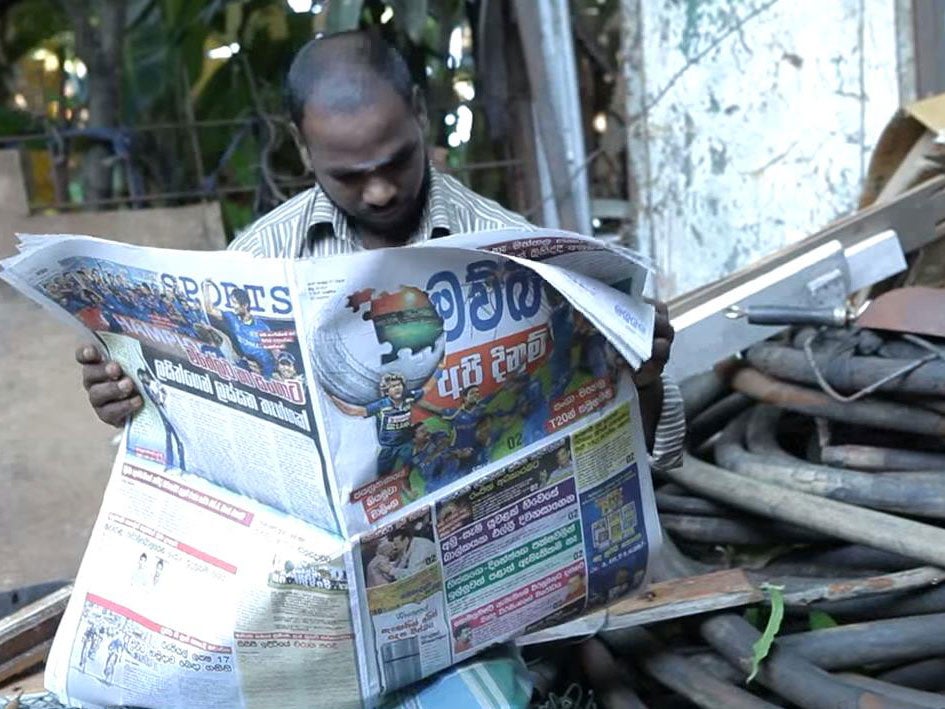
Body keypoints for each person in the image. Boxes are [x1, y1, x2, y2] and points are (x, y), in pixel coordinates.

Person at [73, 29, 682, 707]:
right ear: (302, 150)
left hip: (466, 610)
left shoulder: (512, 253)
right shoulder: (255, 262)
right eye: (349, 175)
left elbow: (650, 456)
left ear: (421, 115)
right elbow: (177, 471)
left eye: (397, 160)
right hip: (302, 612)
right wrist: (129, 403)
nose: (383, 189)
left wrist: (643, 376)